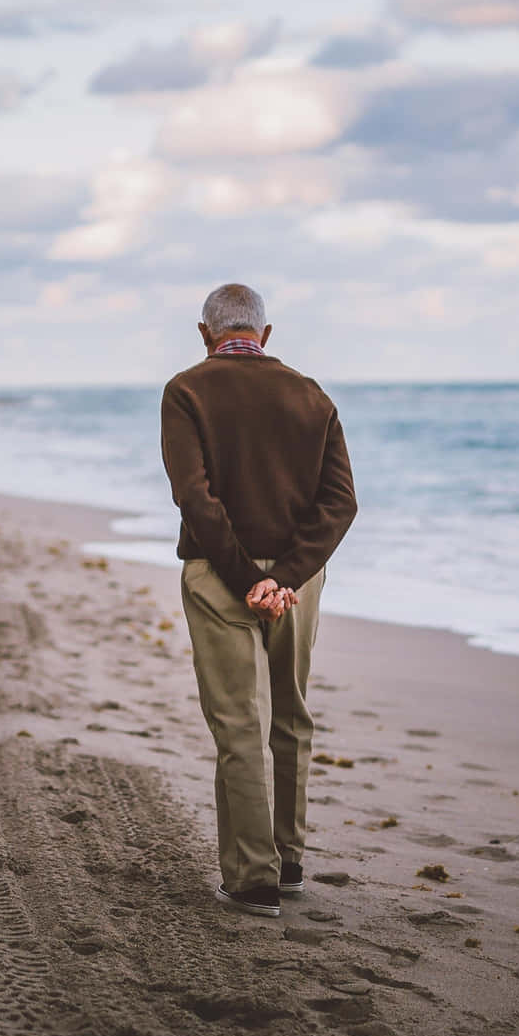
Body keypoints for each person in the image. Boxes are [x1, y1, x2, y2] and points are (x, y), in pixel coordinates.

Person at [162, 284, 359, 917]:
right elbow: (340, 503)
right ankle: (291, 860)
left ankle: (253, 878)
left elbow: (195, 497)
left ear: (204, 333)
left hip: (220, 575)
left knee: (237, 723)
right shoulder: (312, 395)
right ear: (266, 335)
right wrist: (288, 576)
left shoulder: (186, 390)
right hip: (297, 587)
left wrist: (248, 576)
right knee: (291, 716)